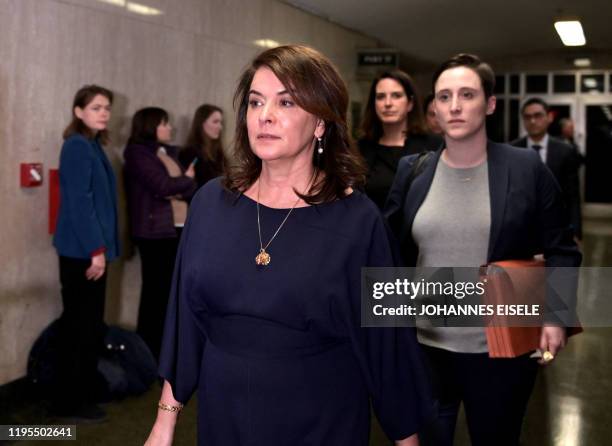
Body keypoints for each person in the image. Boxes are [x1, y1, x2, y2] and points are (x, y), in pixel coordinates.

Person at [145, 44, 433, 446]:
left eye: (287, 103)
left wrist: (407, 439)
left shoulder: (357, 220)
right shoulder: (211, 203)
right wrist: (164, 423)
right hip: (223, 415)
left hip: (320, 417)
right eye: (256, 102)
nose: (265, 115)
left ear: (320, 123)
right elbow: (185, 321)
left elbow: (387, 347)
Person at [385, 54, 581, 446]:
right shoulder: (414, 171)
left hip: (499, 351)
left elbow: (561, 247)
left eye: (467, 94)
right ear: (435, 108)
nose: (455, 106)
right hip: (425, 349)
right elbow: (390, 252)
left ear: (489, 104)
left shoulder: (525, 168)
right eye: (444, 97)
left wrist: (555, 317)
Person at [52, 85, 120, 421]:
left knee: (88, 325)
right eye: (96, 107)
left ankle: (84, 390)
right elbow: (80, 203)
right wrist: (96, 251)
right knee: (80, 327)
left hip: (91, 251)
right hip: (82, 252)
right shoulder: (77, 146)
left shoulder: (92, 145)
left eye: (106, 107)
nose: (104, 113)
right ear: (78, 112)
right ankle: (70, 402)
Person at [123, 107, 196, 361]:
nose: (170, 128)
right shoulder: (137, 153)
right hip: (154, 232)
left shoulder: (166, 152)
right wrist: (182, 182)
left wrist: (181, 185)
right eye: (164, 123)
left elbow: (187, 189)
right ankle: (149, 353)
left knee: (169, 292)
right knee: (156, 292)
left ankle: (164, 351)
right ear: (150, 126)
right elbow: (162, 186)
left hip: (175, 229)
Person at [359, 70, 442, 209]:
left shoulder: (433, 145)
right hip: (373, 228)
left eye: (396, 96)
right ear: (373, 104)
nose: (388, 103)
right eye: (380, 97)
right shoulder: (360, 148)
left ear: (410, 103)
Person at [511, 98, 582, 239]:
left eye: (538, 116)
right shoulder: (512, 149)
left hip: (555, 228)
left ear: (549, 117)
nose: (532, 121)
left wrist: (576, 231)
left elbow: (572, 196)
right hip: (519, 229)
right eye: (527, 117)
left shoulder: (565, 151)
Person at [179, 104, 227, 188]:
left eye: (221, 122)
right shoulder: (189, 153)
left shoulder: (218, 152)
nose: (220, 127)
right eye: (215, 122)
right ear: (202, 123)